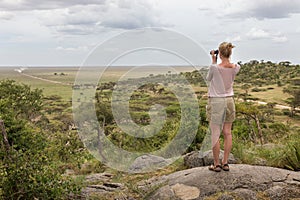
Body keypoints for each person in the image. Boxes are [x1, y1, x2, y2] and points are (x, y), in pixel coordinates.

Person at [206, 42, 240, 172]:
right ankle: (225, 162)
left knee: (215, 133)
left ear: (219, 53)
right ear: (230, 53)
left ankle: (216, 164)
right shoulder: (236, 67)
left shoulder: (214, 68)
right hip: (229, 100)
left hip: (216, 101)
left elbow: (208, 78)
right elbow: (230, 66)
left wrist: (213, 61)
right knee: (227, 132)